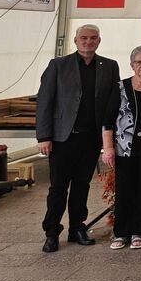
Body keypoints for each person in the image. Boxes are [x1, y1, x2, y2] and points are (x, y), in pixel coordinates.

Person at [35, 24, 121, 253]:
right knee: (58, 188)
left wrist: (109, 139)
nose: (88, 42)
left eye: (93, 38)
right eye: (84, 38)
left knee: (82, 185)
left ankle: (77, 228)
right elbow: (45, 101)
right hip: (62, 139)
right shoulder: (58, 65)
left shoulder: (109, 66)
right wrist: (44, 136)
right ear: (75, 40)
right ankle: (52, 232)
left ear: (99, 41)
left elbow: (113, 103)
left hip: (91, 139)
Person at [104, 45, 141, 250]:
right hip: (123, 149)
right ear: (131, 65)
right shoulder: (119, 87)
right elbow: (108, 120)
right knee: (124, 191)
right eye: (139, 62)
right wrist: (108, 148)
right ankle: (120, 233)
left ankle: (139, 232)